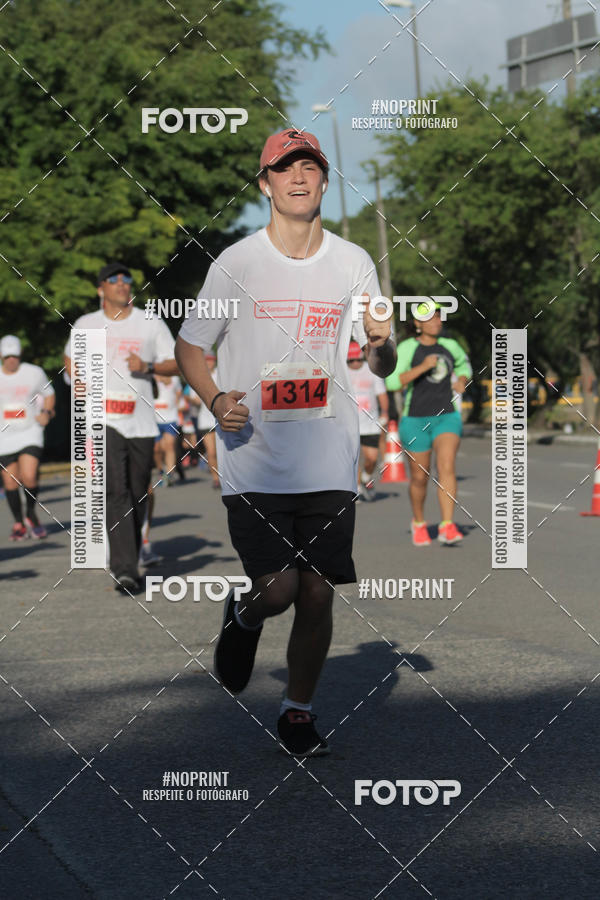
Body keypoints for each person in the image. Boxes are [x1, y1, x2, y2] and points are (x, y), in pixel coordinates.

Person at [176, 129, 396, 757]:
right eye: (285, 167)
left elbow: (380, 363)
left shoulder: (354, 261)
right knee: (279, 590)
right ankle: (243, 615)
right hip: (256, 455)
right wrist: (216, 399)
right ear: (265, 182)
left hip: (328, 453)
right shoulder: (237, 263)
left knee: (318, 592)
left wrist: (380, 343)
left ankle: (297, 710)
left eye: (310, 167)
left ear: (325, 181)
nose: (299, 177)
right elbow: (192, 346)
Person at [64, 262, 178, 593]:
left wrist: (149, 366)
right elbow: (71, 360)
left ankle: (131, 544)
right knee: (116, 490)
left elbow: (175, 363)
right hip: (103, 419)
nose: (121, 284)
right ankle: (125, 569)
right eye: (113, 280)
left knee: (138, 490)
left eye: (126, 278)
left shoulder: (150, 322)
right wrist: (77, 379)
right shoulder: (87, 324)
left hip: (141, 421)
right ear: (101, 288)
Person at [386, 305, 472, 547]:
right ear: (417, 324)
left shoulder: (451, 345)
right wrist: (423, 367)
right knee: (419, 477)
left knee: (446, 465)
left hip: (447, 415)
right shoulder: (407, 348)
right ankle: (420, 522)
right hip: (415, 418)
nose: (436, 320)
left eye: (437, 315)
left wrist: (462, 380)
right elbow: (392, 382)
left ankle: (447, 525)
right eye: (429, 317)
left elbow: (464, 366)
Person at [0, 335, 55, 540]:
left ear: (20, 354)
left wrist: (47, 413)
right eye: (7, 357)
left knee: (29, 475)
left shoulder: (34, 372)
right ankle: (19, 523)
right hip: (4, 436)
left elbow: (49, 393)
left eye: (14, 356)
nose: (11, 360)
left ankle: (31, 513)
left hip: (29, 431)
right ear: (1, 356)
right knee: (10, 482)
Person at [346, 341, 388, 501]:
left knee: (371, 458)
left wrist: (385, 412)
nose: (355, 363)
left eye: (358, 360)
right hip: (351, 425)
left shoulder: (372, 371)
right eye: (351, 361)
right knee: (353, 460)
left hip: (370, 424)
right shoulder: (343, 373)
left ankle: (365, 478)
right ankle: (356, 488)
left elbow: (381, 394)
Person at [194, 352, 220, 490]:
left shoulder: (221, 375)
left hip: (220, 419)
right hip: (205, 421)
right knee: (211, 452)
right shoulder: (199, 377)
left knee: (222, 452)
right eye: (207, 360)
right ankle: (216, 479)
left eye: (211, 360)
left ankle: (225, 476)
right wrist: (192, 401)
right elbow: (195, 399)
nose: (209, 363)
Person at [153, 374, 183, 486]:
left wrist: (174, 404)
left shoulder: (175, 378)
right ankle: (161, 471)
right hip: (154, 418)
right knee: (157, 449)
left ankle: (169, 474)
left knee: (169, 446)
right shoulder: (151, 376)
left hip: (170, 418)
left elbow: (179, 392)